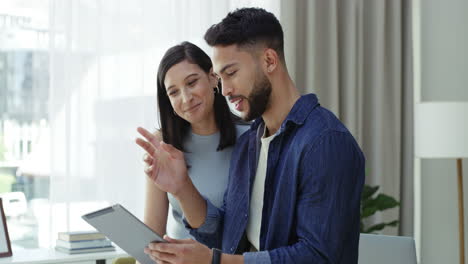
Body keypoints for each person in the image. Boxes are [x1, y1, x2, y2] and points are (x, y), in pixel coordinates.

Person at [143, 8, 365, 264]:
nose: (224, 90)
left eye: (231, 73)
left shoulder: (325, 141)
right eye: (220, 77)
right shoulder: (251, 142)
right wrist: (182, 186)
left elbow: (318, 256)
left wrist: (215, 261)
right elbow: (228, 236)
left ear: (269, 61)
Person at [135, 41, 248, 242]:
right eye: (174, 92)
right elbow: (151, 236)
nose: (186, 98)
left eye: (192, 82)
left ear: (214, 78)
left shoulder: (250, 139)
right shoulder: (163, 144)